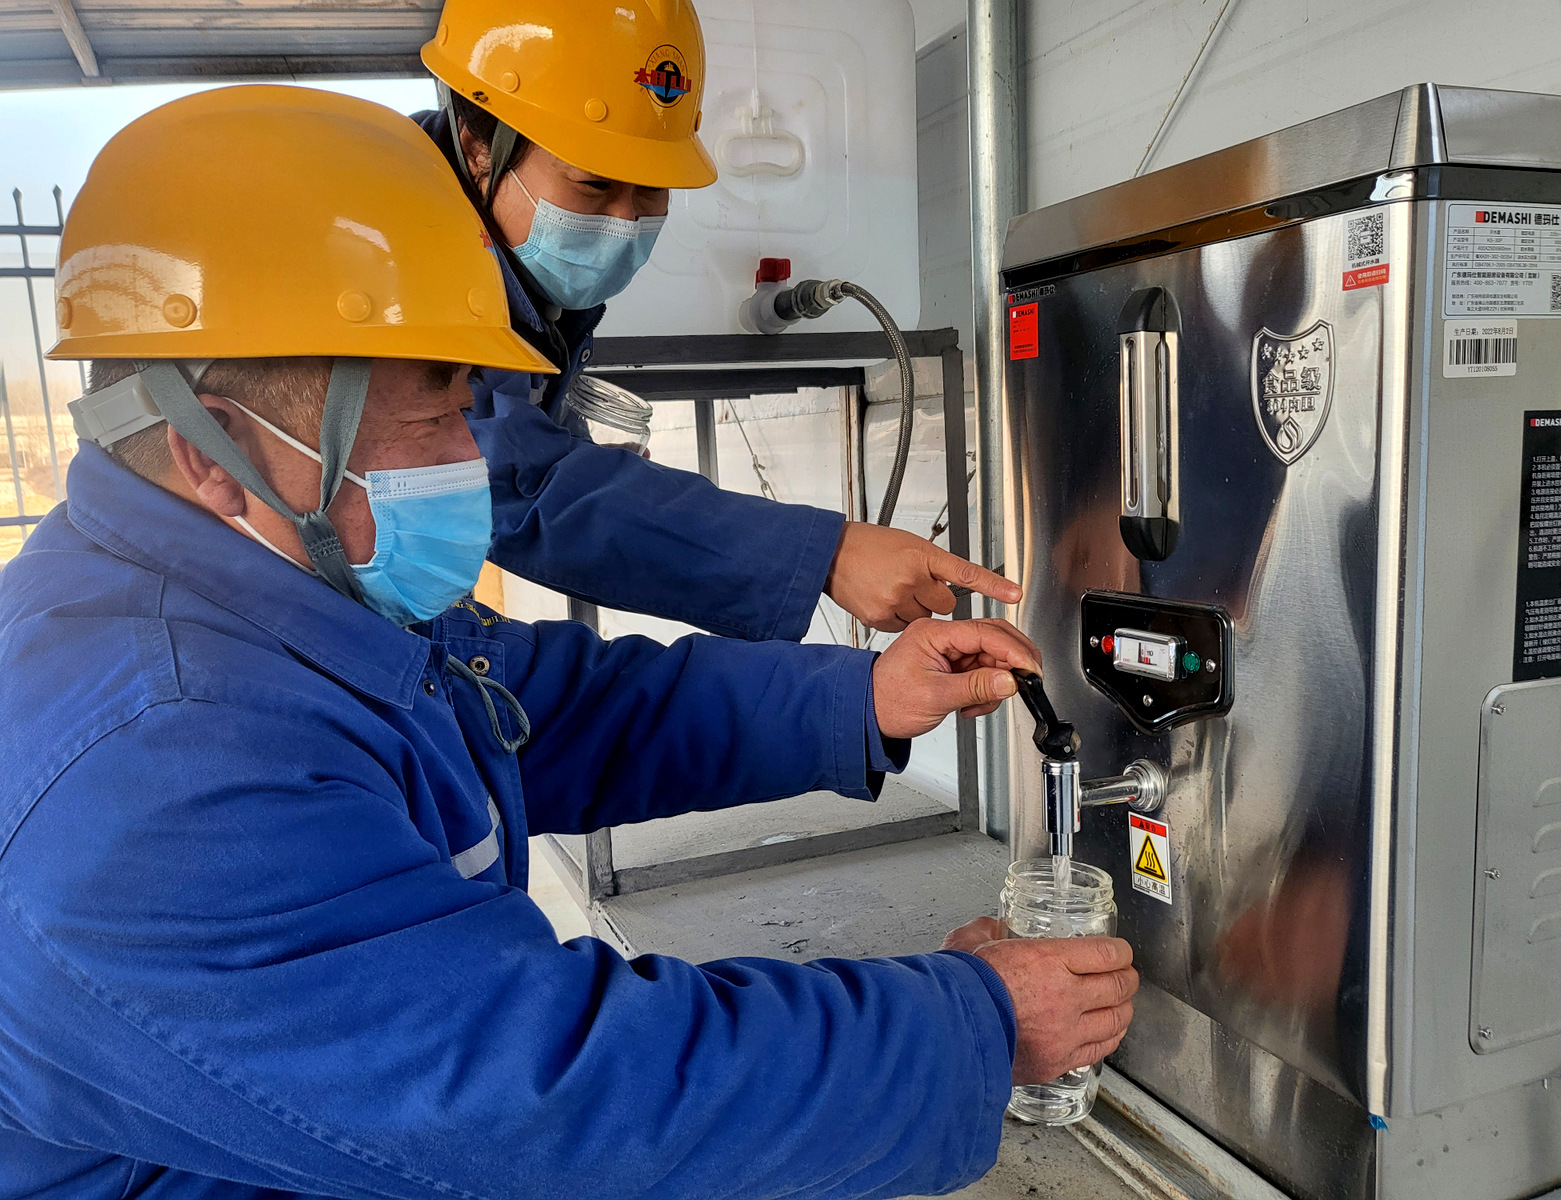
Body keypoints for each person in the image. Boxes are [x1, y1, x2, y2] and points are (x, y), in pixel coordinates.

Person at [0, 86, 1136, 1200]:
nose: (471, 463)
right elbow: (550, 1108)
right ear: (215, 451)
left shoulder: (273, 595)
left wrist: (863, 698)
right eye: (434, 420)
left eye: (470, 411)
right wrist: (972, 1026)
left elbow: (552, 709)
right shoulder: (160, 764)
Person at [412, 0, 1019, 640]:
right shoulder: (406, 253)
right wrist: (826, 554)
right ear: (479, 146)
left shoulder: (517, 269)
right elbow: (509, 482)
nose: (625, 222)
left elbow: (521, 450)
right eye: (594, 185)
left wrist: (581, 463)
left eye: (652, 186)